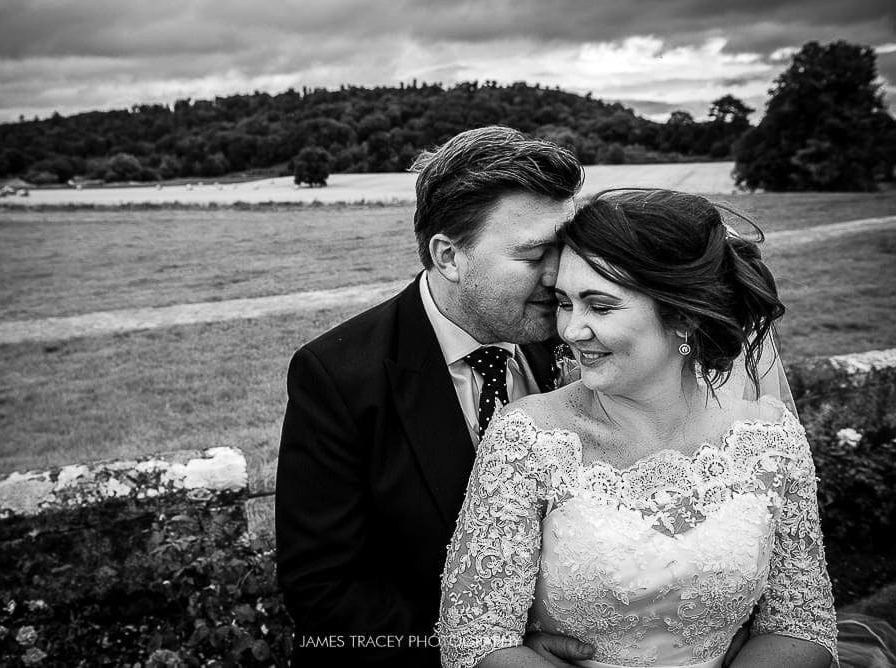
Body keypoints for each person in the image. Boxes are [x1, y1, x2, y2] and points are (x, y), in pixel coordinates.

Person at [437, 189, 841, 668]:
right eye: (565, 302)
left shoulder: (771, 441)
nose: (570, 330)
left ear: (683, 317)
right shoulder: (529, 440)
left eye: (600, 306)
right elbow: (476, 641)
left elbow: (802, 625)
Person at [275, 126, 591, 667]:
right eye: (535, 253)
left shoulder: (580, 341)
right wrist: (494, 656)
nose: (558, 277)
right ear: (448, 256)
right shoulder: (338, 376)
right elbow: (324, 593)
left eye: (564, 250)